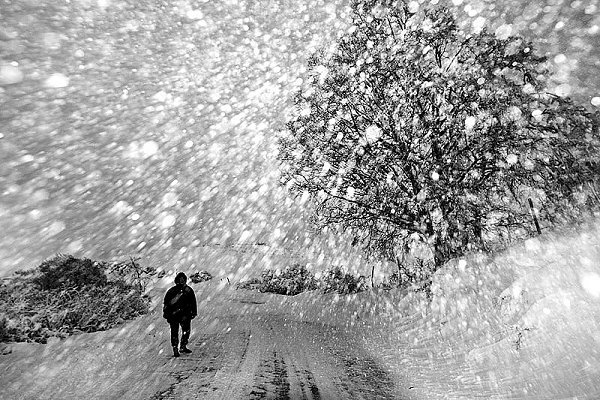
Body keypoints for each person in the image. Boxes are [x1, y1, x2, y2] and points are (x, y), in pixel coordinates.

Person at [163, 272, 197, 357]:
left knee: (184, 331)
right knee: (176, 332)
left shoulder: (187, 290)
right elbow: (166, 303)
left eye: (183, 279)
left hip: (183, 315)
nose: (181, 281)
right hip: (176, 315)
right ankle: (176, 347)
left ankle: (181, 346)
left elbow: (193, 302)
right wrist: (166, 314)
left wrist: (193, 312)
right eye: (180, 279)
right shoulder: (174, 291)